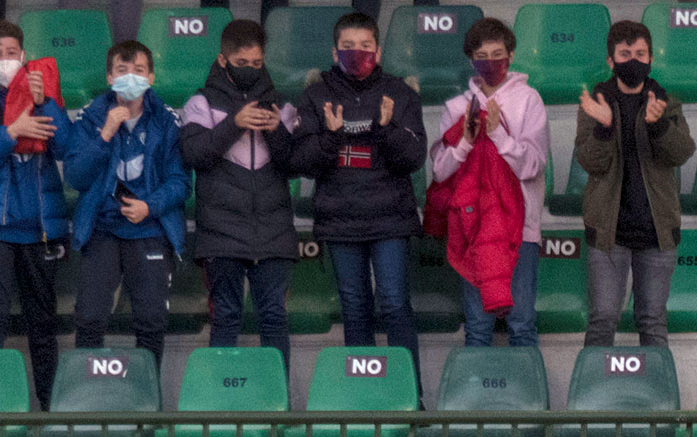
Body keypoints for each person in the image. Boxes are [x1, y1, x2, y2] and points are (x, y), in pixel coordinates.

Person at [291, 11, 428, 386]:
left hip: (390, 219)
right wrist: (332, 138)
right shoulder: (316, 95)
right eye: (348, 47)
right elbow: (300, 160)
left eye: (365, 46)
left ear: (378, 51)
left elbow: (414, 158)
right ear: (335, 52)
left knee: (396, 306)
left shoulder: (400, 93)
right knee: (354, 309)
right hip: (341, 219)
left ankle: (408, 396)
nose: (357, 53)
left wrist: (386, 130)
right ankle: (363, 397)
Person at [0, 20, 75, 410]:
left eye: (11, 53)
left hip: (39, 225)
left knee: (43, 323)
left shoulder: (43, 90)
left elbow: (68, 152)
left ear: (23, 55)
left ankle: (50, 405)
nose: (5, 61)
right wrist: (11, 132)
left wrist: (48, 105)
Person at [181, 18, 301, 372]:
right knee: (226, 318)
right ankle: (221, 408)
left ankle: (279, 407)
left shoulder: (281, 104)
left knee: (274, 318)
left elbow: (293, 164)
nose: (250, 70)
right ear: (223, 60)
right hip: (221, 231)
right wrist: (234, 123)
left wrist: (277, 131)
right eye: (241, 63)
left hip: (274, 229)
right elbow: (193, 155)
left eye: (257, 64)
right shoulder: (200, 103)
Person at [64, 40, 188, 369]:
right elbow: (75, 177)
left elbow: (180, 183)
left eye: (138, 71)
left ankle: (147, 414)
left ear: (151, 78)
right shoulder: (90, 118)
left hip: (149, 229)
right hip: (103, 228)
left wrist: (150, 206)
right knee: (89, 320)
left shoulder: (166, 121)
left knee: (151, 323)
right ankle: (87, 407)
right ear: (109, 77)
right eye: (122, 70)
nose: (130, 77)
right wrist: (105, 134)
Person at [574, 20, 694, 348]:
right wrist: (603, 126)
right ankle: (594, 396)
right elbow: (590, 162)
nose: (634, 60)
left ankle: (660, 397)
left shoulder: (665, 101)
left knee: (653, 322)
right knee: (602, 320)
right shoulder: (596, 103)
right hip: (609, 233)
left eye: (641, 53)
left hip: (656, 232)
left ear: (651, 58)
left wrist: (657, 126)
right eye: (625, 54)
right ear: (611, 62)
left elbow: (682, 152)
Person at [430, 17, 548, 348]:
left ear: (511, 55)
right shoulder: (456, 107)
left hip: (521, 229)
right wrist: (466, 141)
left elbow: (533, 165)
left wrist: (497, 133)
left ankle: (529, 401)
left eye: (498, 53)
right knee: (477, 327)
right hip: (472, 229)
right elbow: (440, 172)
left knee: (521, 324)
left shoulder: (529, 100)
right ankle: (476, 401)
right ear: (471, 60)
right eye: (482, 55)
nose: (491, 62)